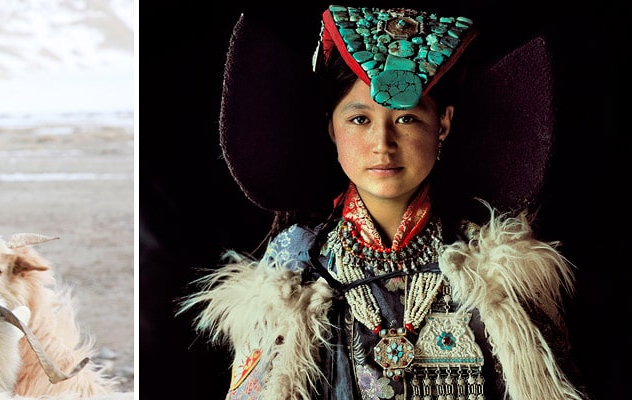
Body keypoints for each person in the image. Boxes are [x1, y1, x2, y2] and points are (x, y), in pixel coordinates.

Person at [178, 5, 587, 399]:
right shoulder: (293, 266)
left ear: (442, 125)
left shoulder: (496, 271)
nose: (382, 144)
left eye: (407, 118)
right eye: (360, 119)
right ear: (332, 128)